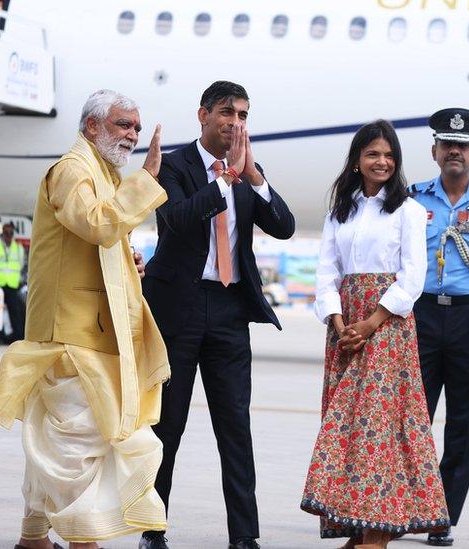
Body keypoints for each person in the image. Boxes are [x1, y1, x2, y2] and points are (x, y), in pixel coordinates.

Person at [0, 89, 169, 549]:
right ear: (92, 126)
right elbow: (96, 223)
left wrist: (127, 261)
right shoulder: (73, 169)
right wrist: (146, 179)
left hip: (89, 328)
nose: (132, 135)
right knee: (76, 445)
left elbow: (96, 239)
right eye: (123, 125)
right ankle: (83, 539)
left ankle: (33, 536)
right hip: (69, 332)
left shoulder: (102, 173)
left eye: (136, 127)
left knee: (52, 440)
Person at [140, 81, 295, 549]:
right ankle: (152, 528)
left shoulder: (247, 169)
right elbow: (176, 220)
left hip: (229, 311)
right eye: (228, 113)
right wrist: (223, 179)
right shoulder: (173, 165)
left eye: (244, 115)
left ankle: (244, 537)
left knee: (235, 427)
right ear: (203, 115)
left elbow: (284, 227)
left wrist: (254, 180)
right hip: (178, 310)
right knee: (167, 425)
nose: (236, 123)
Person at [302, 120, 449, 549]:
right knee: (346, 427)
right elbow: (327, 273)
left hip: (387, 327)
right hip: (344, 329)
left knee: (380, 428)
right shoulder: (340, 211)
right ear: (357, 161)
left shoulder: (407, 210)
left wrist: (369, 324)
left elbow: (413, 278)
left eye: (389, 155)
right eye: (372, 154)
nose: (381, 162)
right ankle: (357, 525)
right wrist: (339, 322)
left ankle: (379, 530)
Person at [408, 108, 469, 547]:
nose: (455, 152)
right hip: (421, 314)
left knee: (464, 421)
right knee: (412, 415)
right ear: (434, 151)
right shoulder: (411, 199)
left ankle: (441, 514)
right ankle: (407, 505)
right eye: (447, 145)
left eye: (463, 146)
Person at [0, 222, 27, 341]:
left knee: (15, 311)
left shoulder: (18, 248)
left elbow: (20, 265)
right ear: (2, 233)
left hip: (11, 285)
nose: (8, 235)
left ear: (13, 234)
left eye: (11, 233)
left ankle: (18, 336)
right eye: (6, 233)